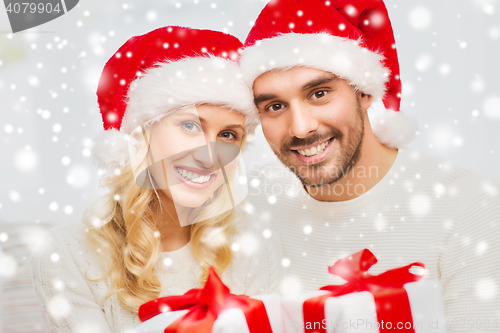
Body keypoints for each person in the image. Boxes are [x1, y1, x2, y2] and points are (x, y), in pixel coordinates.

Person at [239, 0, 500, 327]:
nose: (301, 127)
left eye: (319, 93)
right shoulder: (248, 207)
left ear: (364, 92)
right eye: (275, 106)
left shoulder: (469, 208)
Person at [30, 26, 283, 333]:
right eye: (190, 126)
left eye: (228, 135)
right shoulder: (64, 252)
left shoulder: (252, 244)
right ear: (140, 136)